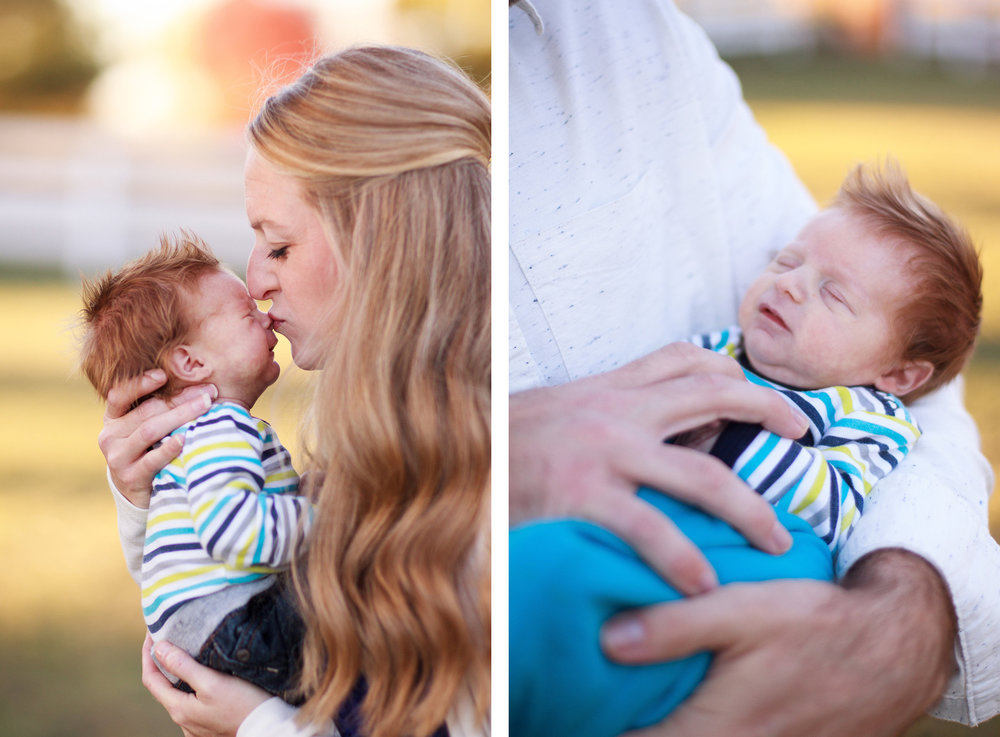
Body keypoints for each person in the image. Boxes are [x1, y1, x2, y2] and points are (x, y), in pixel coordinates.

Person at [509, 2, 1000, 735]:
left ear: (898, 374)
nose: (791, 283)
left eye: (833, 292)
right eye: (786, 259)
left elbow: (831, 502)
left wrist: (718, 439)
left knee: (559, 588)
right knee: (550, 578)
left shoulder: (863, 416)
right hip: (642, 523)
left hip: (757, 550)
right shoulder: (722, 346)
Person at [97, 46, 490, 737]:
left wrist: (259, 726)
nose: (256, 281)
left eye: (278, 247)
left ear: (378, 241)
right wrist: (145, 494)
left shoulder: (483, 503)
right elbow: (214, 590)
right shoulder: (363, 447)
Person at [80, 235, 312, 702]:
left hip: (200, 634)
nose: (265, 314)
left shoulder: (190, 441)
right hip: (235, 624)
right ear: (190, 361)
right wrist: (334, 523)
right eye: (248, 315)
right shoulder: (222, 429)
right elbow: (233, 530)